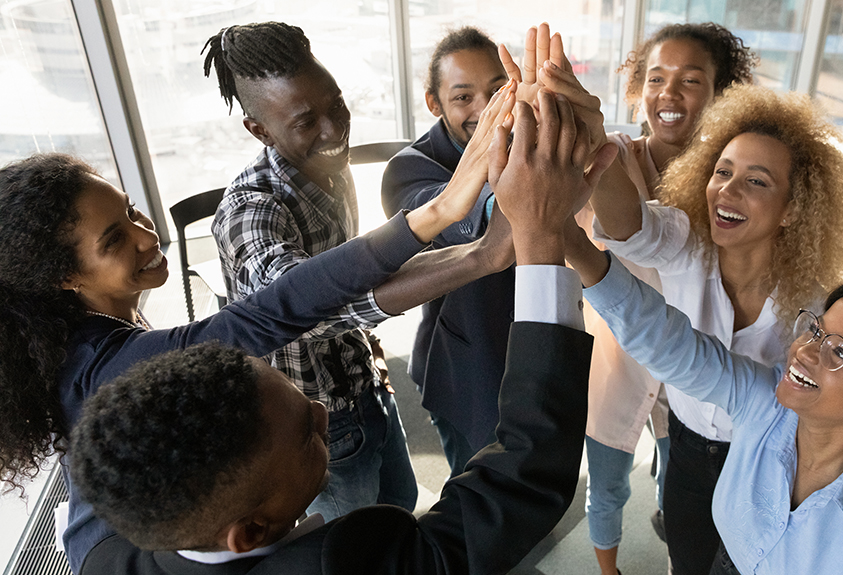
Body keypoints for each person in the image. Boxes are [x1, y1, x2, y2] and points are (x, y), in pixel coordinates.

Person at [70, 87, 619, 575]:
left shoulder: (109, 549)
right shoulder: (350, 558)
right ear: (250, 533)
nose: (320, 413)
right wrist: (541, 239)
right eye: (309, 435)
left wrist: (479, 248)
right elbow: (522, 480)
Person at [0, 143, 510, 573]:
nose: (146, 234)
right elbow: (266, 315)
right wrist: (438, 214)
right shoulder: (99, 362)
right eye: (115, 240)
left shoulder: (96, 321)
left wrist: (482, 254)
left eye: (132, 211)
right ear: (63, 277)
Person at [202, 22, 512, 516]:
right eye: (307, 123)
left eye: (337, 107)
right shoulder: (251, 212)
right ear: (259, 130)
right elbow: (310, 306)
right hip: (315, 424)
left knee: (400, 510)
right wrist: (480, 255)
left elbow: (355, 272)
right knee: (354, 546)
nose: (334, 131)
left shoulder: (327, 165)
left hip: (365, 388)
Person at [587, 83, 843, 574]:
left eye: (757, 181)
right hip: (684, 449)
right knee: (688, 560)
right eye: (722, 171)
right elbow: (627, 224)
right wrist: (591, 136)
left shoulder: (818, 305)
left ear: (794, 209)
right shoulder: (684, 243)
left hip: (768, 461)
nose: (727, 189)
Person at [563, 227, 843, 573]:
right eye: (817, 331)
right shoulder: (764, 404)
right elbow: (670, 344)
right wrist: (572, 242)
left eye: (841, 353)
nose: (806, 351)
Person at [577, 23, 756, 575]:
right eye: (656, 78)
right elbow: (620, 230)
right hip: (616, 360)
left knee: (677, 476)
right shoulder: (609, 162)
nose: (669, 93)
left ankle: (675, 539)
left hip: (693, 366)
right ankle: (609, 571)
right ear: (637, 88)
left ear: (722, 93)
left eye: (691, 80)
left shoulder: (731, 178)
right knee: (606, 483)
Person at [380, 26, 513, 476]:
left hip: (533, 350)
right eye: (463, 97)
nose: (486, 109)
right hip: (467, 365)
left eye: (498, 90)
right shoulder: (410, 170)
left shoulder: (527, 140)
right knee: (471, 496)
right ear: (434, 103)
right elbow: (452, 215)